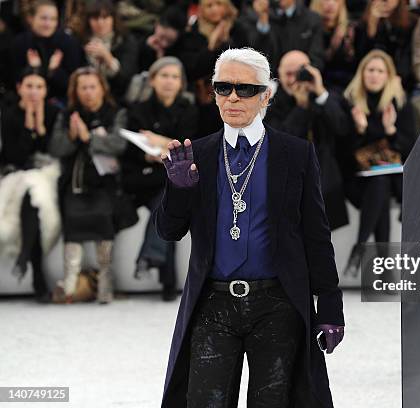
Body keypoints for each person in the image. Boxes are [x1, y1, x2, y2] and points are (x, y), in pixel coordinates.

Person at [155, 47, 344, 407]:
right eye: (223, 87)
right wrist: (178, 191)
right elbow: (168, 231)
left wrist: (331, 306)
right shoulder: (199, 155)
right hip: (213, 304)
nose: (233, 97)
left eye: (245, 89)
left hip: (278, 303)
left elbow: (317, 236)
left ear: (266, 96)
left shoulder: (296, 154)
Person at [48, 67, 128, 304]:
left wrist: (88, 137)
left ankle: (105, 281)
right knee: (73, 226)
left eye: (93, 86)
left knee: (104, 226)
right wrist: (73, 136)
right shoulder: (67, 114)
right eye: (83, 87)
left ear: (102, 88)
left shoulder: (116, 112)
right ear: (75, 91)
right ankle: (69, 283)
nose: (88, 92)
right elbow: (56, 148)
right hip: (76, 183)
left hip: (106, 184)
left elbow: (118, 145)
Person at [122, 57, 198, 301]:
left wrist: (159, 141)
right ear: (152, 80)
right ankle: (163, 275)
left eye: (175, 77)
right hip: (146, 179)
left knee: (166, 205)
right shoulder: (137, 110)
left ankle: (157, 267)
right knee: (165, 202)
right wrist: (150, 154)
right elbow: (129, 151)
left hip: (174, 179)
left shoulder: (189, 111)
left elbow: (190, 148)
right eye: (164, 76)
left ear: (181, 83)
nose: (169, 82)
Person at [341, 49, 416, 275]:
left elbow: (410, 147)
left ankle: (361, 248)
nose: (374, 75)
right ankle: (385, 268)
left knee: (380, 181)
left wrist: (391, 130)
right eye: (370, 70)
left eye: (380, 71)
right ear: (362, 74)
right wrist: (360, 129)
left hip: (393, 178)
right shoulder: (350, 103)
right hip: (356, 179)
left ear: (388, 75)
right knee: (378, 185)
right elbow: (342, 150)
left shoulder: (399, 103)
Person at [266, 50, 349, 230]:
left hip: (323, 183)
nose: (294, 80)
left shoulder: (322, 96)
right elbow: (280, 141)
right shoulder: (269, 103)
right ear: (278, 74)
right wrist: (301, 108)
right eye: (288, 74)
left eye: (300, 73)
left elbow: (342, 128)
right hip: (286, 186)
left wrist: (320, 92)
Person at [0, 67, 61, 303]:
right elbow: (16, 157)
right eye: (29, 86)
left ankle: (28, 258)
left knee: (35, 192)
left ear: (45, 90)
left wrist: (41, 129)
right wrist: (28, 125)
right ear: (19, 88)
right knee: (31, 194)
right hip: (16, 176)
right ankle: (35, 269)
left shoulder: (55, 113)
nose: (34, 92)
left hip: (48, 174)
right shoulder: (9, 114)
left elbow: (54, 152)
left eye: (39, 87)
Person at [10, 0, 84, 103]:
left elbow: (73, 84)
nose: (48, 24)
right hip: (25, 101)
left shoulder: (69, 43)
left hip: (61, 100)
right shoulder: (19, 43)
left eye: (53, 19)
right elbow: (13, 79)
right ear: (31, 18)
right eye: (43, 18)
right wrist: (33, 69)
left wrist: (54, 71)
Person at [74, 0, 138, 103]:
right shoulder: (79, 41)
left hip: (117, 96)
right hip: (86, 96)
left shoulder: (126, 41)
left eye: (105, 18)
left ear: (113, 19)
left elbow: (125, 78)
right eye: (95, 18)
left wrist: (107, 57)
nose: (100, 23)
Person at [177, 0, 249, 85]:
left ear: (227, 6)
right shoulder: (194, 31)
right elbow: (191, 67)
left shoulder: (238, 28)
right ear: (202, 10)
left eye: (219, 4)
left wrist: (225, 41)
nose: (214, 9)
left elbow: (245, 60)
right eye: (209, 6)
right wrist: (211, 47)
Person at [354, 0, 418, 92]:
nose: (385, 1)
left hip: (400, 78)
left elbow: (407, 55)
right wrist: (372, 26)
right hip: (369, 78)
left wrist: (398, 77)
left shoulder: (411, 22)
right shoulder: (363, 23)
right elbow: (361, 56)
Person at [243, 0, 326, 71]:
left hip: (303, 79)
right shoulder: (256, 15)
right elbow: (256, 56)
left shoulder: (312, 19)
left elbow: (316, 59)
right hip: (271, 80)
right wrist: (263, 21)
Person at [310, 0, 357, 92]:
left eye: (336, 0)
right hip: (312, 85)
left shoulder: (351, 32)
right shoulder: (308, 30)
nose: (330, 4)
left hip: (342, 88)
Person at [137, 6, 187, 73]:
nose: (164, 44)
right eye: (162, 37)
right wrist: (146, 48)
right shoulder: (140, 37)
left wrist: (161, 60)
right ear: (156, 24)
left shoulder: (182, 50)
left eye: (170, 41)